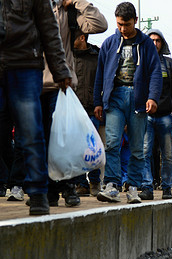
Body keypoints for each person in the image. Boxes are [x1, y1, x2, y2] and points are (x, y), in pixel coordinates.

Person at [0, 0, 72, 214]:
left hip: (24, 64)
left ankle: (38, 192)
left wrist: (60, 69)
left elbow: (48, 27)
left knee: (31, 130)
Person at [40, 0, 107, 207]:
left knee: (63, 139)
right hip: (31, 83)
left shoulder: (68, 13)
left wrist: (78, 2)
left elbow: (99, 24)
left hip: (60, 86)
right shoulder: (31, 8)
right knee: (37, 140)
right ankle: (46, 189)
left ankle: (67, 187)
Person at [94, 2, 162, 204]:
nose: (123, 29)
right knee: (113, 142)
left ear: (135, 21)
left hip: (138, 99)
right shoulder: (109, 43)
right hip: (115, 97)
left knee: (137, 147)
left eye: (127, 24)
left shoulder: (146, 44)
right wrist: (98, 101)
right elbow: (100, 74)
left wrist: (152, 97)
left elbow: (156, 73)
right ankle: (112, 185)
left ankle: (133, 186)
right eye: (119, 24)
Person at [138, 29, 172, 200]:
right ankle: (147, 186)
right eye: (151, 40)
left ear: (162, 43)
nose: (154, 43)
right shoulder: (139, 64)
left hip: (166, 117)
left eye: (158, 40)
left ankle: (167, 187)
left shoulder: (171, 65)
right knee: (144, 152)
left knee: (167, 155)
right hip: (146, 117)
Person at [72, 29, 102, 197]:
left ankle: (95, 182)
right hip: (73, 110)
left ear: (82, 38)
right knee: (76, 148)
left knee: (92, 148)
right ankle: (80, 183)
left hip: (92, 109)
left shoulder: (96, 57)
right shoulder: (68, 56)